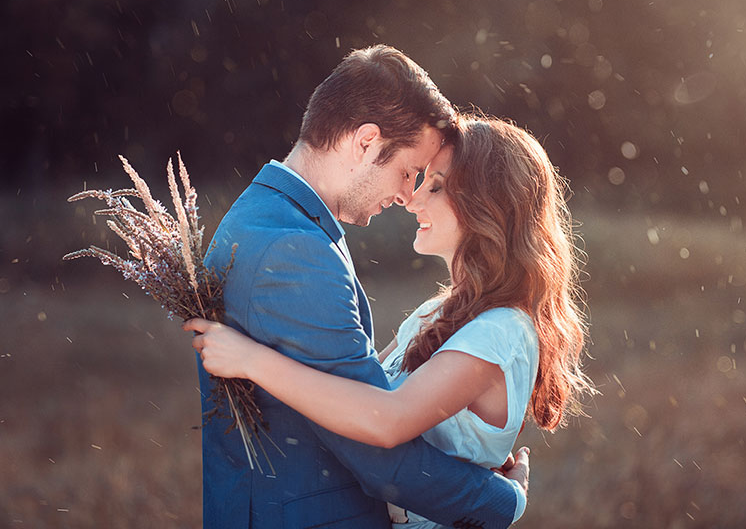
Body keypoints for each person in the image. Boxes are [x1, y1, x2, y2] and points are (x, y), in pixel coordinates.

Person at [189, 113, 594, 528]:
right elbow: (354, 392)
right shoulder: (436, 311)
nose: (413, 200)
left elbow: (386, 420)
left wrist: (252, 361)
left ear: (487, 207)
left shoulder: (502, 330)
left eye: (435, 187)